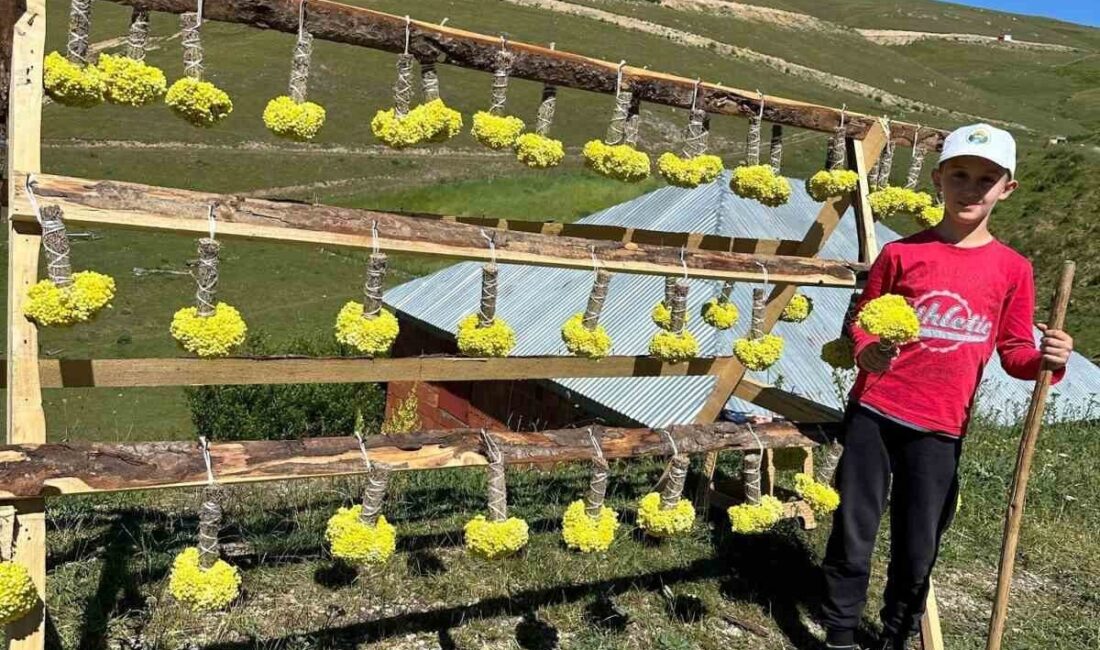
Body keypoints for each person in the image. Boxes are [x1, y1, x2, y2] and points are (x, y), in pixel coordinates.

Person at [820, 123, 1075, 650]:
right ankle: (840, 635)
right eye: (959, 174)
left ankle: (895, 636)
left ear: (1007, 188)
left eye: (987, 178)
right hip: (875, 410)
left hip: (940, 427)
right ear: (938, 178)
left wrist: (1048, 359)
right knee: (853, 531)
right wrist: (868, 347)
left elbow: (1013, 353)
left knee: (918, 547)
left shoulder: (1013, 270)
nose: (970, 187)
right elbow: (864, 318)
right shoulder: (900, 255)